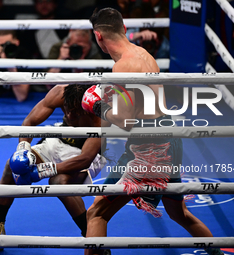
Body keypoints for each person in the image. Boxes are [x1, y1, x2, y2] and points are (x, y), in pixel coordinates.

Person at [81, 8, 224, 255]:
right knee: (179, 213)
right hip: (167, 136)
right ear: (124, 29)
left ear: (98, 37)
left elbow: (125, 121)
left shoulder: (124, 67)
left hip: (149, 147)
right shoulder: (143, 53)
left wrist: (97, 106)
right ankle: (218, 254)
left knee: (96, 214)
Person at [0, 84, 107, 254]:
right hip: (58, 141)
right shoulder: (60, 92)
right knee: (12, 166)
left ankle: (92, 237)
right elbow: (29, 122)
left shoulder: (99, 115)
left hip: (86, 153)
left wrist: (42, 171)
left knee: (59, 183)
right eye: (67, 109)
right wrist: (23, 149)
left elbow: (84, 159)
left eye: (76, 112)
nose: (69, 115)